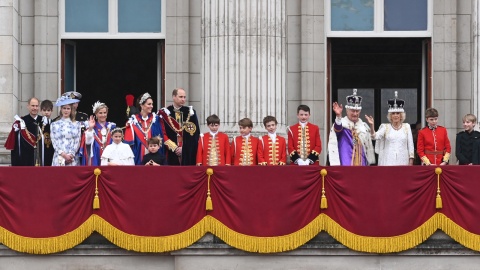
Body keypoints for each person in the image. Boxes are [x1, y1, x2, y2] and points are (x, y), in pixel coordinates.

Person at [365, 91, 414, 166]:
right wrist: (372, 125)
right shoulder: (385, 127)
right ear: (390, 116)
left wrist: (411, 161)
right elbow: (375, 136)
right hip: (388, 161)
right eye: (393, 113)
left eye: (397, 113)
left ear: (401, 115)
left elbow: (410, 145)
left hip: (403, 161)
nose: (395, 115)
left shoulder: (406, 127)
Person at [328, 89, 375, 166]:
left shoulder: (363, 126)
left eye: (357, 111)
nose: (355, 113)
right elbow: (337, 129)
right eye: (352, 111)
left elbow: (369, 144)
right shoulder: (342, 124)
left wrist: (372, 127)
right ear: (347, 111)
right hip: (345, 164)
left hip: (362, 164)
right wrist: (338, 116)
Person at [158, 88, 200, 166]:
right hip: (171, 151)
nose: (183, 99)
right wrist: (174, 147)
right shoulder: (165, 113)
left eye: (184, 97)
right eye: (180, 97)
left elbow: (195, 134)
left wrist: (183, 148)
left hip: (187, 152)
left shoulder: (191, 112)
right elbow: (162, 133)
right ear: (173, 97)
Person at [124, 92, 165, 165]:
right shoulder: (133, 121)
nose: (151, 106)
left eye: (152, 104)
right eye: (149, 104)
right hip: (138, 155)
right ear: (142, 105)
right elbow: (128, 145)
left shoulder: (156, 119)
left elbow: (161, 137)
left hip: (155, 156)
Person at [4, 97, 42, 166]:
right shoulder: (22, 121)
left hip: (40, 159)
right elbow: (16, 143)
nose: (35, 108)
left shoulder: (43, 121)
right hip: (25, 159)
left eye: (37, 106)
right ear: (28, 106)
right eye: (33, 106)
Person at [51, 95, 82, 166]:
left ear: (71, 110)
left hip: (72, 158)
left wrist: (71, 155)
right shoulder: (54, 124)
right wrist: (64, 155)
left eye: (68, 108)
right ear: (61, 109)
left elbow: (77, 141)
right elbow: (54, 142)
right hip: (59, 157)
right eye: (64, 108)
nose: (66, 110)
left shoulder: (77, 124)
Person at [83, 101, 116, 166]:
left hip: (110, 156)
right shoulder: (92, 127)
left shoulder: (112, 127)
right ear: (96, 114)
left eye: (104, 113)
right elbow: (87, 142)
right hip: (95, 156)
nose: (103, 115)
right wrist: (90, 128)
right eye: (100, 113)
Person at [39, 99, 55, 166]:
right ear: (41, 110)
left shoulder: (54, 123)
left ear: (52, 111)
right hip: (41, 150)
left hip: (52, 149)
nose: (46, 112)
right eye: (44, 110)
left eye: (48, 110)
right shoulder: (38, 123)